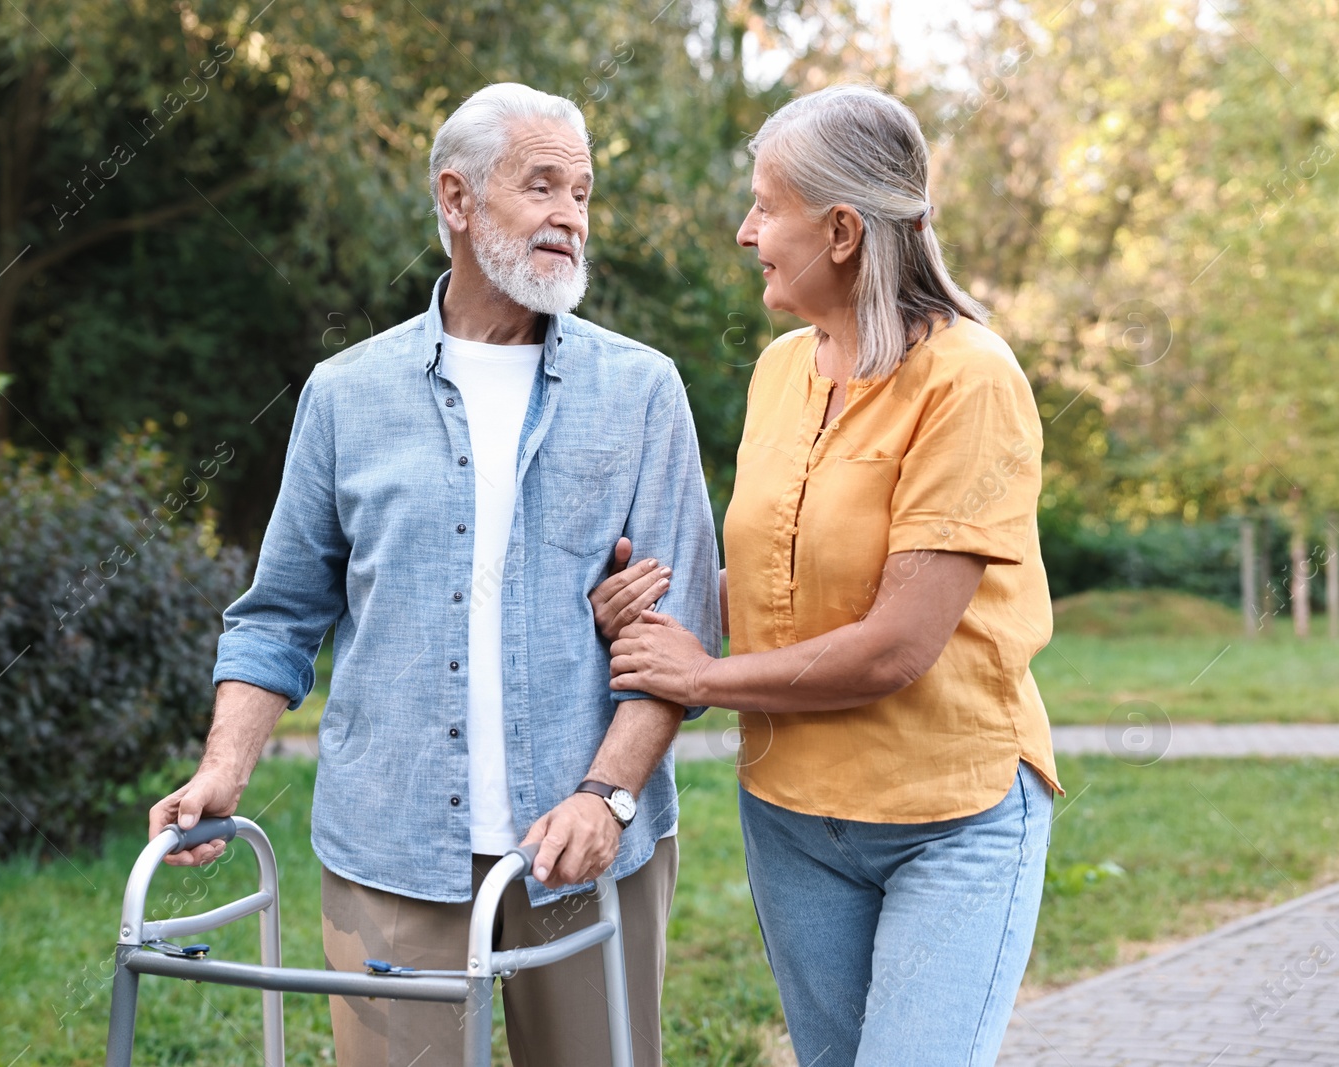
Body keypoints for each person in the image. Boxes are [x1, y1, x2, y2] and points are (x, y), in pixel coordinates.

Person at [147, 82, 720, 1067]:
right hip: (391, 846)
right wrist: (222, 770)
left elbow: (684, 638)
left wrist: (608, 797)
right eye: (540, 187)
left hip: (587, 847)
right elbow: (280, 616)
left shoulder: (641, 391)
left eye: (581, 195)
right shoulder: (344, 394)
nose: (568, 219)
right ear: (456, 199)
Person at [594, 83, 1062, 1066]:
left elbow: (897, 642)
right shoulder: (779, 370)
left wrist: (700, 677)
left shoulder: (970, 378)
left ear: (842, 229)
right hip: (793, 816)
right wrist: (660, 601)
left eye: (766, 206)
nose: (743, 229)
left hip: (951, 815)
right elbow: (784, 575)